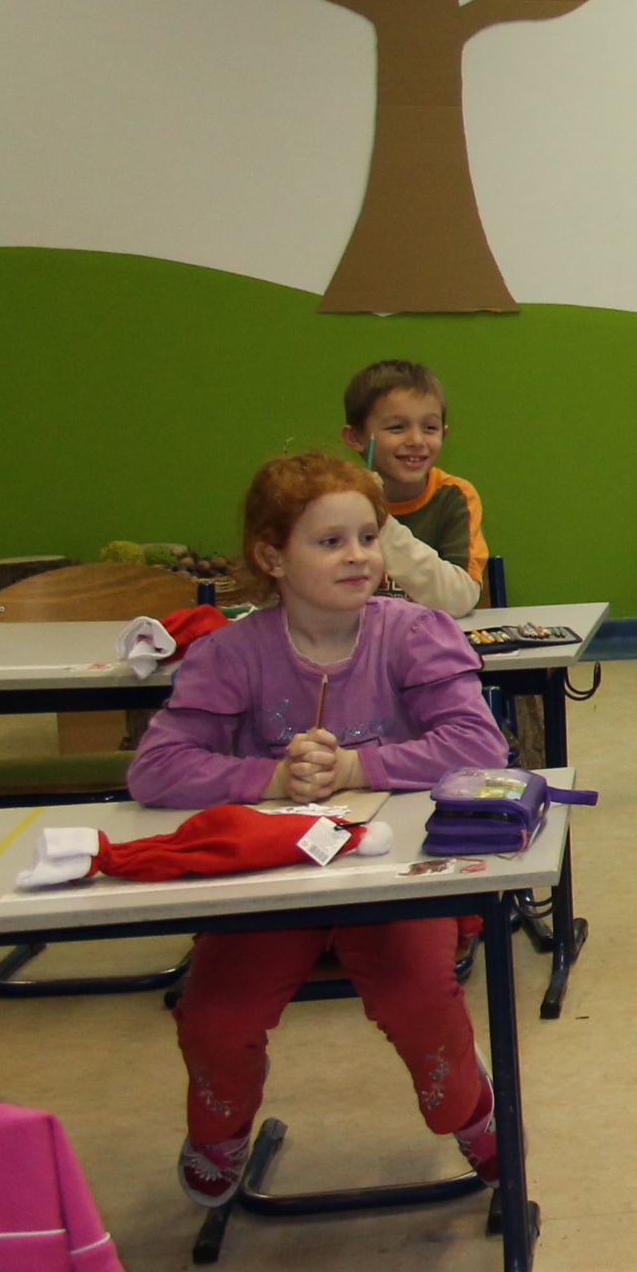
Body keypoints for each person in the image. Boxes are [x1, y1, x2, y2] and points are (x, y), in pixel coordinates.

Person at [129, 451, 515, 1209]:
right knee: (214, 1016)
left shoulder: (415, 632)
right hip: (270, 884)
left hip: (392, 880)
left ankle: (470, 1110)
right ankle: (221, 1129)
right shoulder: (231, 653)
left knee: (419, 1002)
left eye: (368, 537)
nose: (358, 556)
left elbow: (481, 748)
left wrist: (357, 767)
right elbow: (156, 769)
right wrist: (271, 780)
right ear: (272, 557)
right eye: (330, 542)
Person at [339, 358, 484, 615]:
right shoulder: (332, 500)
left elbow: (460, 598)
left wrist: (380, 520)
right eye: (397, 427)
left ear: (443, 434)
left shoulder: (454, 496)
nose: (416, 440)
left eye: (430, 428)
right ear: (355, 437)